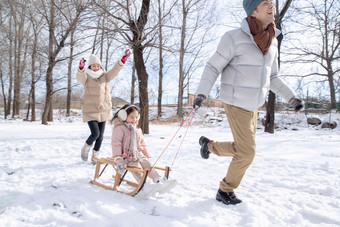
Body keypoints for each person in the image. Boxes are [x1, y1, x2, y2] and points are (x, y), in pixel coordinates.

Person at [193, 0, 303, 205]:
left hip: (254, 104)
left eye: (272, 2)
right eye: (266, 2)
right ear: (254, 10)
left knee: (241, 147)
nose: (272, 6)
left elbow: (273, 77)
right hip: (235, 102)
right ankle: (225, 190)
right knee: (247, 152)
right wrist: (201, 93)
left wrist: (291, 97)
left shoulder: (273, 42)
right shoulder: (233, 37)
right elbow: (212, 67)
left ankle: (208, 146)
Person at [77, 50, 131, 165]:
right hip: (90, 111)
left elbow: (114, 71)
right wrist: (81, 68)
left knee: (100, 137)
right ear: (90, 66)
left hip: (103, 111)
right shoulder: (86, 78)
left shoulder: (105, 77)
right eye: (93, 65)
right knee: (95, 134)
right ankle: (86, 147)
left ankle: (95, 155)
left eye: (98, 65)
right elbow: (80, 78)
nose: (96, 67)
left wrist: (122, 61)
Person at [111, 104, 177, 196]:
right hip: (126, 156)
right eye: (132, 117)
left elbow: (142, 142)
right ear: (124, 115)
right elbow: (116, 143)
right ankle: (145, 185)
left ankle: (159, 181)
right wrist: (118, 158)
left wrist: (146, 153)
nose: (135, 119)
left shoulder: (137, 129)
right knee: (137, 168)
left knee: (148, 165)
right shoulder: (119, 128)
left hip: (138, 154)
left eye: (136, 117)